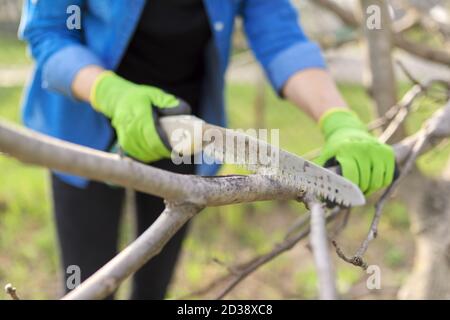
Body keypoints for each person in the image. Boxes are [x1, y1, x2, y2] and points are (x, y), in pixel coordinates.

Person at [19, 0, 395, 299]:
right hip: (84, 126)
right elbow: (49, 31)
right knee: (86, 281)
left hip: (184, 133)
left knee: (153, 286)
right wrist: (110, 94)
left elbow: (281, 37)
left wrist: (338, 119)